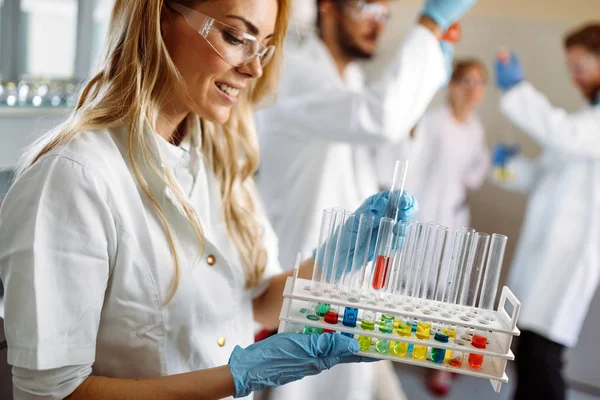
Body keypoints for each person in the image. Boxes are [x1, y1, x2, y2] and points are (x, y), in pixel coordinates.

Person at [0, 1, 405, 399]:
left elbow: (258, 303)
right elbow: (53, 393)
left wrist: (336, 259)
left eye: (262, 46)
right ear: (160, 16)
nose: (254, 68)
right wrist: (236, 377)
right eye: (235, 37)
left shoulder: (221, 164)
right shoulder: (74, 179)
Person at [255, 0, 477, 399]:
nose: (378, 23)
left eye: (385, 14)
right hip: (299, 264)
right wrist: (429, 26)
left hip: (346, 279)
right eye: (366, 8)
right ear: (329, 10)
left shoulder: (353, 79)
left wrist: (423, 85)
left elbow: (382, 153)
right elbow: (379, 116)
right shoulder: (296, 70)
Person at [492, 24, 600, 400]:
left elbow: (565, 134)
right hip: (545, 259)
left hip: (566, 264)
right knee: (531, 358)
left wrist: (517, 90)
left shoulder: (586, 125)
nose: (575, 76)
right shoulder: (587, 116)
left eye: (582, 65)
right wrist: (509, 167)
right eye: (570, 67)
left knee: (542, 362)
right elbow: (545, 177)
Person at [376, 59, 490, 396]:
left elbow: (474, 176)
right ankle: (386, 349)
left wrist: (489, 162)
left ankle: (439, 363)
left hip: (453, 220)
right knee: (406, 284)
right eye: (467, 80)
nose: (472, 89)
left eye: (480, 82)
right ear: (453, 85)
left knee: (447, 293)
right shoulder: (432, 121)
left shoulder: (476, 129)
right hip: (423, 216)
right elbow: (410, 166)